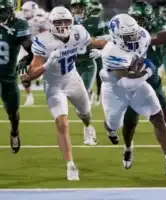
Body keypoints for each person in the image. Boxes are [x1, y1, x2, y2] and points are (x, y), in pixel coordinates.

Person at [99, 13, 166, 182]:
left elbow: (155, 38)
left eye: (134, 33)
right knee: (115, 122)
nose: (134, 38)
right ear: (117, 37)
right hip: (115, 89)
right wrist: (148, 71)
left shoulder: (139, 35)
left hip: (137, 83)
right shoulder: (111, 52)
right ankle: (109, 128)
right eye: (128, 36)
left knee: (158, 116)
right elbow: (126, 83)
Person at [21, 6, 106, 181]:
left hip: (73, 79)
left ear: (72, 22)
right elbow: (30, 74)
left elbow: (95, 42)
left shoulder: (79, 32)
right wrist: (47, 64)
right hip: (54, 85)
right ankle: (70, 164)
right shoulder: (43, 40)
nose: (62, 26)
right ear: (51, 24)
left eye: (65, 21)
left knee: (86, 113)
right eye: (58, 22)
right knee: (62, 123)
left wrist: (112, 43)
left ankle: (88, 127)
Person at [0, 0, 33, 154]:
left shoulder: (19, 25)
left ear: (11, 10)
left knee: (13, 112)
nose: (1, 15)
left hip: (9, 76)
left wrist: (28, 58)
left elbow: (29, 48)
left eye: (3, 11)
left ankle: (14, 133)